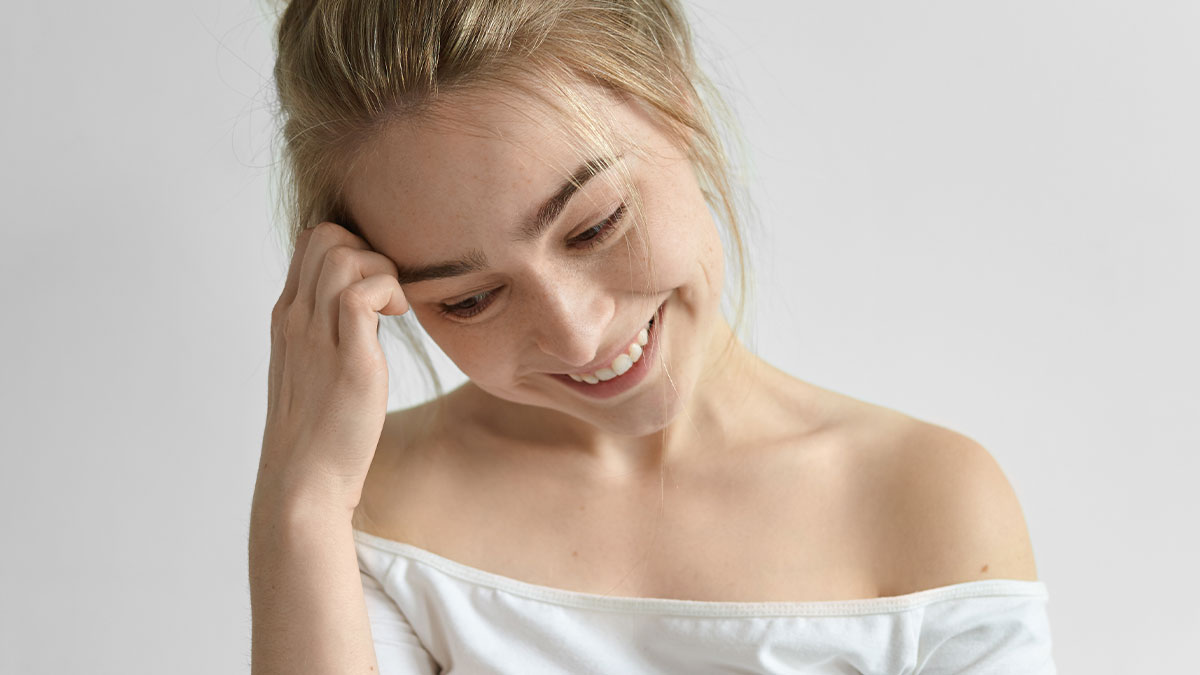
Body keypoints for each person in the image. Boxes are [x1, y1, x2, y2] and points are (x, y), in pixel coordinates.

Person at [248, 1, 1057, 673]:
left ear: (678, 99)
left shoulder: (925, 499)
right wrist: (302, 502)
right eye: (472, 298)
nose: (574, 333)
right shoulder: (374, 502)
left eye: (595, 225)